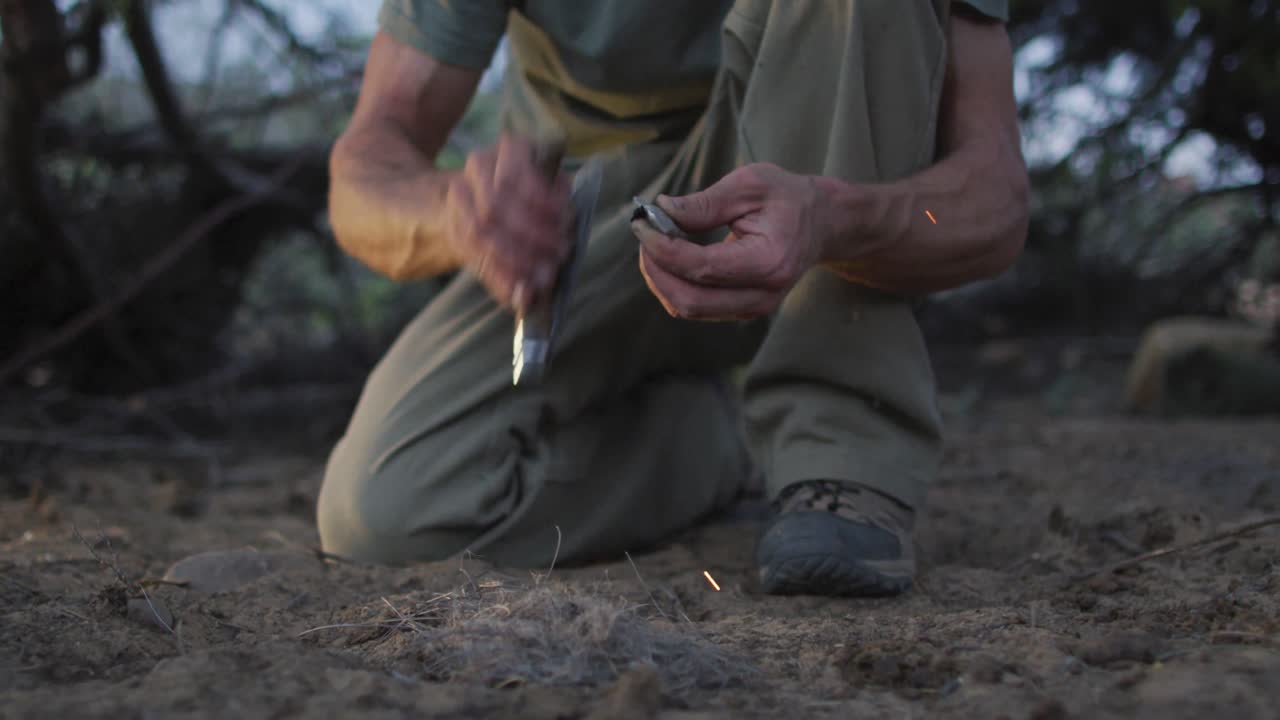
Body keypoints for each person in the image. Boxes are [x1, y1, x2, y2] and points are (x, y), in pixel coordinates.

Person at [317, 0, 1030, 597]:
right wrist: (455, 213)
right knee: (387, 510)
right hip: (584, 221)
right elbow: (367, 167)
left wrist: (835, 221)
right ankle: (707, 442)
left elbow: (995, 201)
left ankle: (839, 458)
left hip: (827, 209)